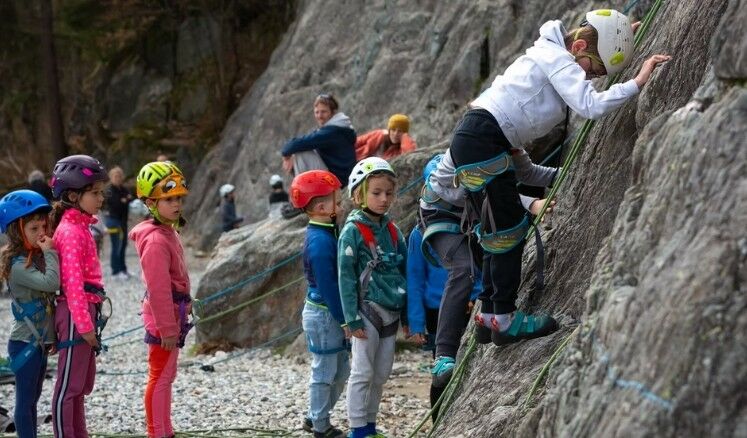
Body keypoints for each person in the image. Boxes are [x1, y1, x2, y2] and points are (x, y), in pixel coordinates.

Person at [444, 10, 670, 347]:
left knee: (496, 230)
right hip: (485, 138)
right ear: (577, 47)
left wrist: (618, 36)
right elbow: (591, 106)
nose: (588, 77)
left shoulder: (552, 54)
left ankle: (489, 314)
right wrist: (637, 82)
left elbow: (529, 171)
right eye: (592, 69)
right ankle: (503, 320)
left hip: (481, 136)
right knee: (507, 231)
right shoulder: (559, 59)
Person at [338, 157, 408, 438]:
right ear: (359, 194)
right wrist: (351, 318)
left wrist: (408, 317)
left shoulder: (393, 231)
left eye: (389, 193)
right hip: (366, 311)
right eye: (376, 193)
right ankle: (357, 429)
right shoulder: (352, 232)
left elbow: (405, 271)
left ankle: (370, 425)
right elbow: (345, 278)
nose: (384, 199)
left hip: (391, 311)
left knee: (381, 374)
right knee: (362, 372)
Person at [129, 161, 193, 438]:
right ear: (150, 202)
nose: (176, 204)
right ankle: (157, 432)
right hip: (163, 318)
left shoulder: (168, 230)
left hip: (172, 313)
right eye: (169, 199)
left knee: (166, 375)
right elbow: (158, 290)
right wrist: (168, 328)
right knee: (160, 376)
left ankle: (165, 430)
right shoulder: (156, 241)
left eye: (178, 198)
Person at [48, 154, 109, 438]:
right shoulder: (71, 232)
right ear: (73, 196)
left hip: (85, 310)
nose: (101, 198)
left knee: (81, 385)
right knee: (68, 388)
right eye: (95, 193)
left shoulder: (81, 227)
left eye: (101, 193)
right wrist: (85, 326)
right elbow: (73, 284)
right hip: (75, 314)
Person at [290, 170, 349, 438]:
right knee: (325, 372)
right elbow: (328, 287)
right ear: (323, 208)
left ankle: (315, 416)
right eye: (338, 201)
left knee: (340, 371)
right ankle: (320, 426)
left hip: (328, 313)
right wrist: (345, 319)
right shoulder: (320, 242)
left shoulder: (325, 232)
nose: (342, 205)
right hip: (325, 314)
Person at [406, 221, 481, 421]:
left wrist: (475, 295)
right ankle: (438, 421)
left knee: (472, 363)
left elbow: (480, 263)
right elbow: (415, 278)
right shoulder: (419, 232)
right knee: (443, 370)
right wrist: (416, 322)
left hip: (471, 304)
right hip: (437, 311)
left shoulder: (469, 222)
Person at [0, 189, 59, 438]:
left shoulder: (32, 257)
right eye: (34, 229)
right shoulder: (17, 266)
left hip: (39, 341)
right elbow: (52, 283)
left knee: (34, 398)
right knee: (25, 402)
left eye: (43, 226)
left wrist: (51, 337)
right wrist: (51, 251)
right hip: (25, 343)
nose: (42, 233)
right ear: (17, 231)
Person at [281, 94, 357, 187]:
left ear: (333, 112)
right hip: (338, 176)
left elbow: (297, 144)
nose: (319, 116)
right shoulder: (338, 127)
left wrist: (286, 155)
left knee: (300, 153)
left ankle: (303, 189)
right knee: (298, 151)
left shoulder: (332, 131)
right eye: (317, 112)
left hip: (337, 180)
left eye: (323, 112)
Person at [104, 166, 133, 279]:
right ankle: (115, 271)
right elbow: (115, 204)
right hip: (113, 220)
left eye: (120, 176)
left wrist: (125, 200)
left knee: (123, 245)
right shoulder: (109, 190)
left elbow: (130, 197)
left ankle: (123, 269)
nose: (118, 178)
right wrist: (124, 200)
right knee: (116, 245)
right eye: (116, 176)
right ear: (111, 177)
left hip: (123, 221)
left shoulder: (123, 188)